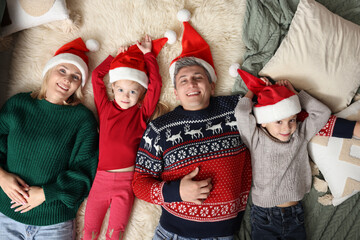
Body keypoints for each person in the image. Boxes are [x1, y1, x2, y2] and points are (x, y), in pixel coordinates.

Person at [132, 10, 253, 239]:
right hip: (175, 232)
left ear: (212, 85)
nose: (192, 84)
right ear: (176, 93)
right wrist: (175, 191)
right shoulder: (159, 129)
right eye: (183, 80)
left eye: (198, 77)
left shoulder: (236, 108)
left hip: (225, 233)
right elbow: (139, 184)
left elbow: (269, 104)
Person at [0, 38, 99, 239]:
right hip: (6, 214)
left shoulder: (83, 120)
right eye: (62, 70)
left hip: (54, 221)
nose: (67, 80)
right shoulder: (18, 105)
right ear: (49, 71)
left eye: (76, 77)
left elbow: (85, 172)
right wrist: (1, 177)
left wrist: (46, 193)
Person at [83, 33, 173, 240]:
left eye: (133, 92)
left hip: (127, 181)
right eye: (121, 89)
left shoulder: (142, 114)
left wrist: (149, 55)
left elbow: (156, 85)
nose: (125, 95)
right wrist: (114, 57)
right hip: (101, 179)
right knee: (89, 232)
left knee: (115, 233)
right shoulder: (105, 108)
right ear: (113, 88)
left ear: (141, 94)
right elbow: (97, 76)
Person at [234, 68, 332, 239]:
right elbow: (241, 113)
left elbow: (323, 113)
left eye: (292, 120)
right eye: (278, 121)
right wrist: (253, 90)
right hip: (265, 216)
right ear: (263, 122)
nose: (287, 128)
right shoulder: (256, 138)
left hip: (295, 215)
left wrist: (296, 94)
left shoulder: (299, 135)